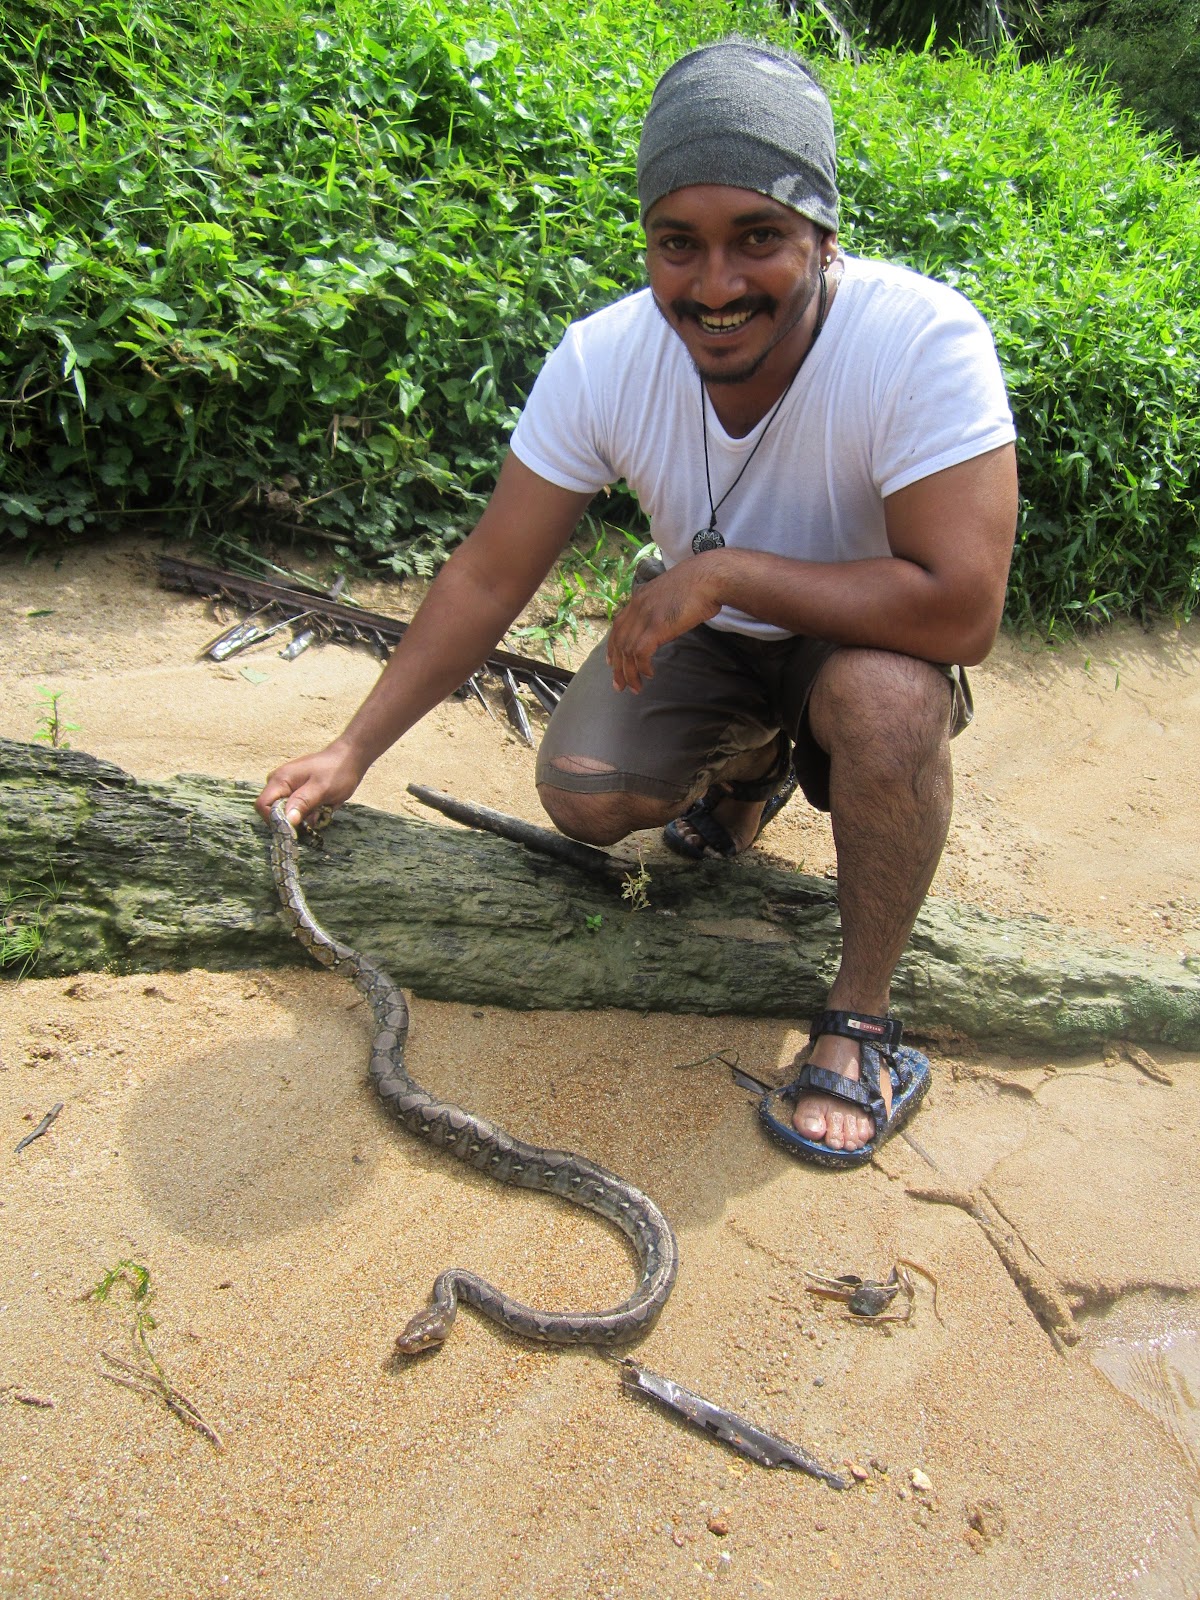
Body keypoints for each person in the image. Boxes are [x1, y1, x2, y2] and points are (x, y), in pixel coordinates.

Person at [257, 37, 1018, 1168]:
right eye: (680, 244)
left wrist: (721, 574)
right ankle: (754, 768)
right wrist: (351, 748)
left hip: (866, 641)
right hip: (717, 644)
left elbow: (962, 614)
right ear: (650, 245)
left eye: (757, 238)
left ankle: (860, 1013)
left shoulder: (922, 341)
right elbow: (487, 573)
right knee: (586, 792)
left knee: (889, 705)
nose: (714, 286)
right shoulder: (602, 359)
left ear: (823, 235)